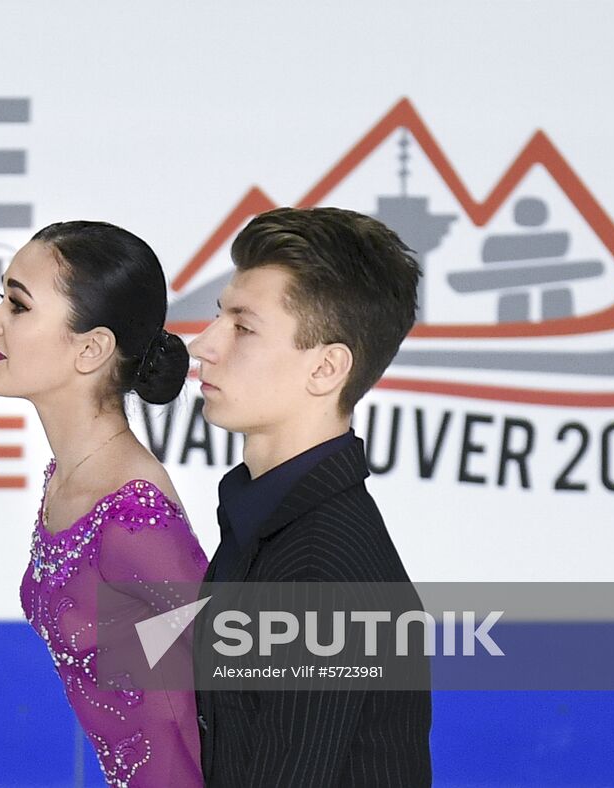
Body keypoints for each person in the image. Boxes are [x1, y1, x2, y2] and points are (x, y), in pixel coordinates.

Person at [187, 207, 433, 786]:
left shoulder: (319, 570)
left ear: (326, 368)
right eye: (220, 316)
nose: (203, 345)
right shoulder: (266, 523)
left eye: (243, 327)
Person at [0, 220, 207, 787]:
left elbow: (235, 686)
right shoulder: (69, 478)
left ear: (91, 348)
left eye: (17, 305)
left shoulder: (133, 514)